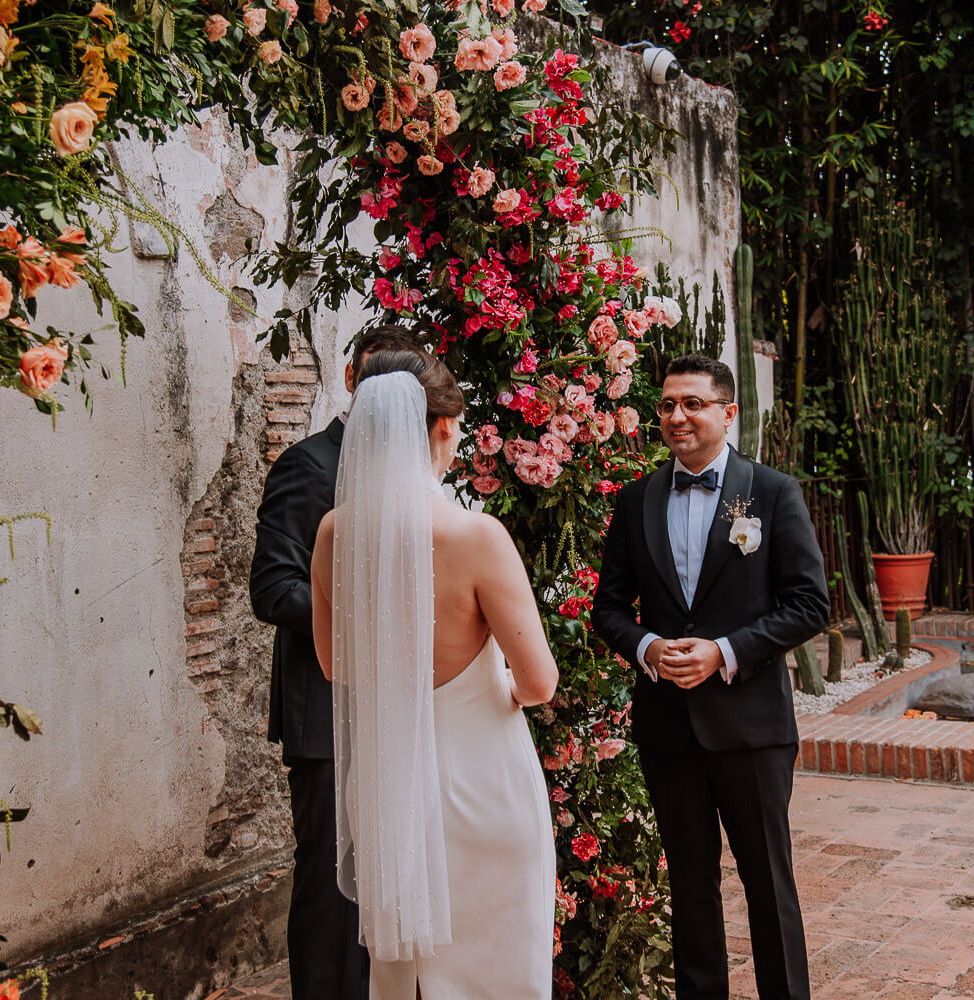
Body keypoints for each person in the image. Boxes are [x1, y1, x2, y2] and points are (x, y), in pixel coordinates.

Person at [309, 349, 559, 1000]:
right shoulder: (476, 538)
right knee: (497, 970)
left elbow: (335, 667)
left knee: (402, 977)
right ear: (446, 427)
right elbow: (539, 683)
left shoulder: (335, 534)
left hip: (388, 786)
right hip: (480, 785)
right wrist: (489, 691)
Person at [591, 354, 830, 1000]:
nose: (677, 416)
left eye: (693, 403)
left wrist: (723, 652)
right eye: (667, 404)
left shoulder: (772, 493)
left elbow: (810, 603)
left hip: (751, 727)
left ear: (728, 413)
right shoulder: (637, 500)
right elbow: (608, 607)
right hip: (669, 729)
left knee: (768, 885)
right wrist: (647, 647)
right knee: (690, 886)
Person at [249, 325, 424, 1000]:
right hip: (325, 709)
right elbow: (272, 588)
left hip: (399, 710)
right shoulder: (309, 465)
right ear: (350, 380)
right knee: (329, 886)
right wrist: (365, 623)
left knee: (384, 883)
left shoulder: (413, 470)